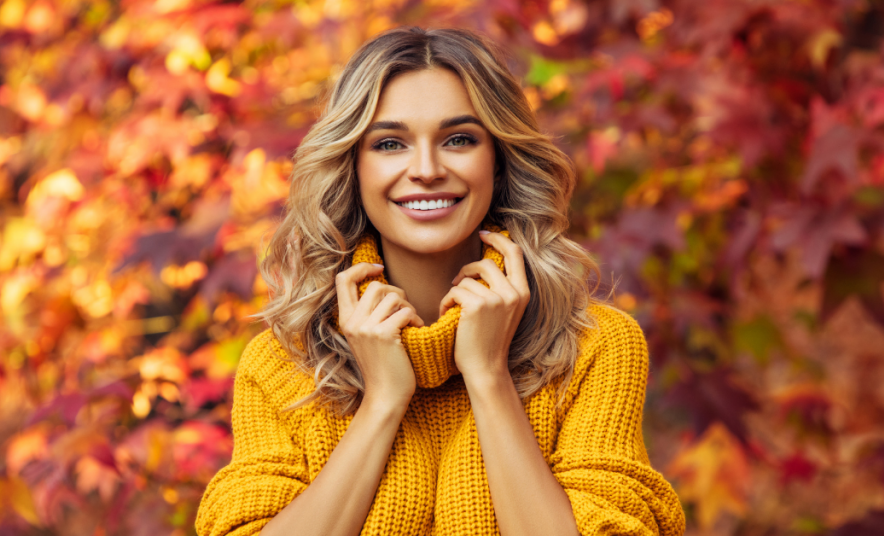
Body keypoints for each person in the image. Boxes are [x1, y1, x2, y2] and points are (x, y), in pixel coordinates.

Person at [195, 26, 685, 536]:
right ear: (351, 167)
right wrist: (384, 401)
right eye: (389, 143)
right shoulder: (284, 365)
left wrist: (489, 377)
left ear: (498, 161)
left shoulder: (594, 347)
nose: (426, 170)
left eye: (458, 139)